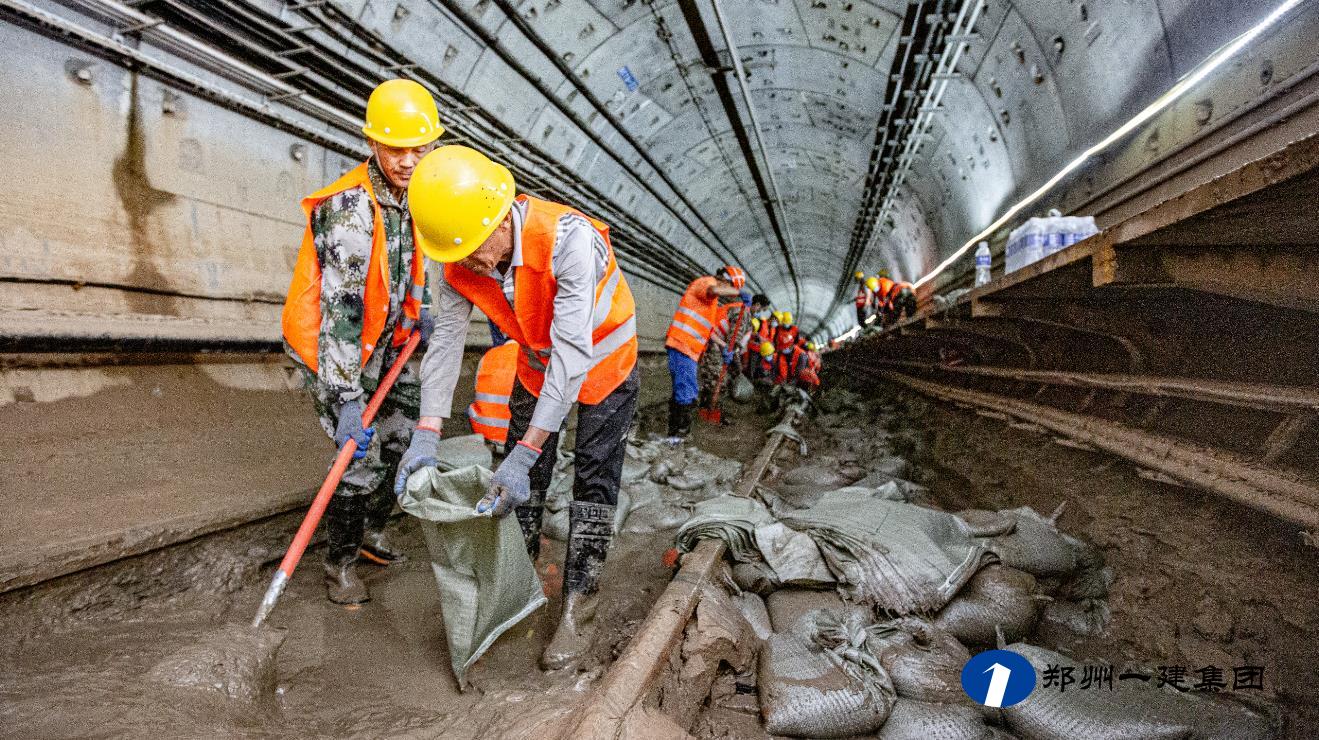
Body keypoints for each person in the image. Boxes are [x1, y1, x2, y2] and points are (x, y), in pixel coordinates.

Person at [395, 145, 639, 671]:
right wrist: (427, 432)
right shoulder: (459, 257)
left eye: (476, 248)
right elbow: (445, 345)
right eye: (458, 254)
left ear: (502, 217)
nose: (470, 263)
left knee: (593, 477)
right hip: (537, 360)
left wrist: (530, 449)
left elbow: (574, 356)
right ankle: (518, 583)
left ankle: (580, 601)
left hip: (603, 359)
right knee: (517, 476)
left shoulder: (571, 240)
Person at [281, 79, 442, 605]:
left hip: (387, 342)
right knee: (359, 454)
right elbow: (342, 313)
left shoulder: (414, 197)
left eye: (420, 148)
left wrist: (422, 311)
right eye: (397, 148)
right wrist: (348, 397)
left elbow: (418, 263)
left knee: (400, 440)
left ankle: (373, 534)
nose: (409, 160)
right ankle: (339, 564)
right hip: (334, 348)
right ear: (373, 143)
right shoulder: (349, 209)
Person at [664, 266, 746, 443]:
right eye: (731, 287)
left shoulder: (711, 302)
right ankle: (678, 438)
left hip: (689, 348)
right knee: (687, 392)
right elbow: (714, 289)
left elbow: (707, 330)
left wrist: (725, 346)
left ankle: (674, 435)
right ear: (725, 281)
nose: (730, 293)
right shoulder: (706, 283)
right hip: (682, 344)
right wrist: (737, 292)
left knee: (685, 391)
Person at [698, 291, 764, 416]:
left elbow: (735, 346)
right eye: (762, 309)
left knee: (716, 378)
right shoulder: (743, 313)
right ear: (758, 305)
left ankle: (707, 408)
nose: (760, 312)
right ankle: (709, 410)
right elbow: (732, 342)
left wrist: (736, 364)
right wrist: (738, 367)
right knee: (717, 379)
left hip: (715, 339)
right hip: (712, 339)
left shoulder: (743, 312)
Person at [467, 339, 519, 456]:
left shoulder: (489, 354)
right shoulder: (529, 357)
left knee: (472, 406)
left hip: (486, 436)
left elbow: (477, 388)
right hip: (519, 439)